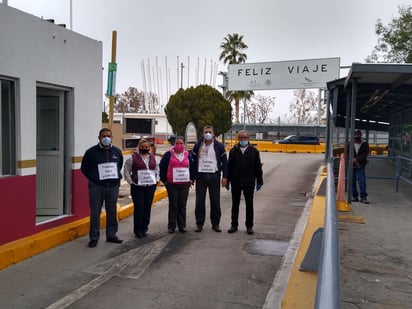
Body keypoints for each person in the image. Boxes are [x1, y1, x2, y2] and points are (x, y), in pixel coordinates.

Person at [81, 128, 124, 248]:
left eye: (109, 136)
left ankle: (111, 235)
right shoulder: (91, 152)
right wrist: (94, 178)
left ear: (111, 138)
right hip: (96, 187)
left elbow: (119, 166)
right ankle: (94, 237)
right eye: (104, 136)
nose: (106, 138)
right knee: (95, 212)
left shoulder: (117, 152)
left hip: (112, 187)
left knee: (112, 211)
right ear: (99, 137)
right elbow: (84, 168)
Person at [191, 125, 228, 232]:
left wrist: (225, 177)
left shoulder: (219, 146)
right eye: (206, 132)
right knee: (199, 201)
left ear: (213, 134)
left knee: (215, 201)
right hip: (201, 176)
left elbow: (225, 162)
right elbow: (192, 161)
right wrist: (192, 176)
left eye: (210, 132)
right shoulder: (198, 145)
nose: (208, 134)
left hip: (214, 177)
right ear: (202, 134)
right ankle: (199, 223)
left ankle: (215, 224)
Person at [226, 130, 263, 235]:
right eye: (241, 137)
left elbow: (258, 167)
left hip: (249, 182)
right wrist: (228, 180)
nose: (243, 139)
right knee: (235, 205)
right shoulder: (233, 151)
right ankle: (234, 225)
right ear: (238, 139)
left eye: (245, 137)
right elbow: (230, 167)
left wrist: (259, 181)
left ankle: (249, 226)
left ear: (248, 139)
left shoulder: (254, 151)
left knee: (249, 205)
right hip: (236, 182)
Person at [124, 139, 159, 238]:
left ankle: (144, 228)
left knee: (147, 208)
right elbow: (126, 171)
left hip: (150, 187)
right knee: (139, 208)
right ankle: (138, 230)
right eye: (143, 147)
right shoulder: (132, 158)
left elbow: (157, 169)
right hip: (137, 187)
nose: (145, 148)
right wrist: (131, 182)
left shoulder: (153, 158)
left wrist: (156, 180)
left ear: (149, 148)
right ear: (139, 147)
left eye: (146, 147)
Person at [159, 136, 195, 234]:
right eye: (177, 143)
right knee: (173, 205)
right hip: (171, 184)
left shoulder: (188, 155)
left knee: (182, 205)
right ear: (174, 144)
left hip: (184, 184)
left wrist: (191, 179)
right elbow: (162, 167)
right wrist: (164, 181)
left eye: (181, 143)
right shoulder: (168, 155)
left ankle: (182, 225)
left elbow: (192, 167)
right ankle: (171, 226)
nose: (179, 145)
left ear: (184, 144)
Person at [346, 129, 369, 204]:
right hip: (352, 165)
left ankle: (363, 197)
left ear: (360, 136)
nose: (356, 137)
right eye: (355, 135)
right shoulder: (349, 143)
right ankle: (354, 196)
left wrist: (357, 160)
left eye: (357, 135)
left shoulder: (364, 143)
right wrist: (353, 160)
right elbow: (347, 153)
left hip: (361, 165)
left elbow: (365, 154)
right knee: (352, 181)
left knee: (362, 181)